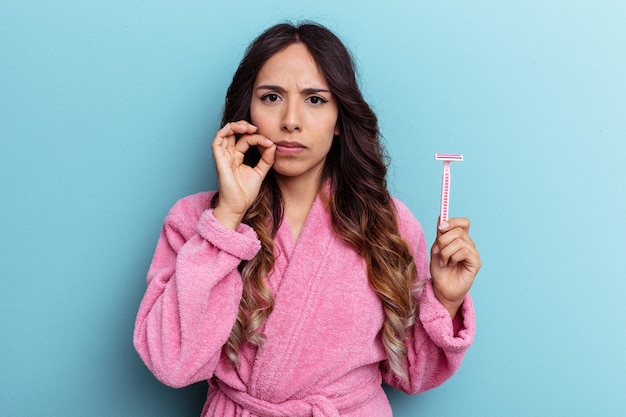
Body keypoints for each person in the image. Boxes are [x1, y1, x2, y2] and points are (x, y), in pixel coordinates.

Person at [134, 21, 481, 417]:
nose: (291, 120)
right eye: (271, 97)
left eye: (315, 99)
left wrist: (447, 301)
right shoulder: (196, 221)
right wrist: (227, 218)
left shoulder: (390, 225)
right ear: (246, 110)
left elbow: (414, 375)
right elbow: (172, 364)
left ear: (339, 119)